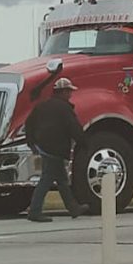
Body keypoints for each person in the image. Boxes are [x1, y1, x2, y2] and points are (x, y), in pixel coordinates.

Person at [25, 77, 90, 222]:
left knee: (61, 179)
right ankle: (34, 211)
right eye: (69, 91)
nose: (70, 94)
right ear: (63, 92)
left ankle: (73, 208)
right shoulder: (64, 108)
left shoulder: (41, 106)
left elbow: (29, 124)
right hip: (54, 149)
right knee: (46, 180)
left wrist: (32, 143)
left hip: (43, 147)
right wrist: (84, 143)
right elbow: (74, 128)